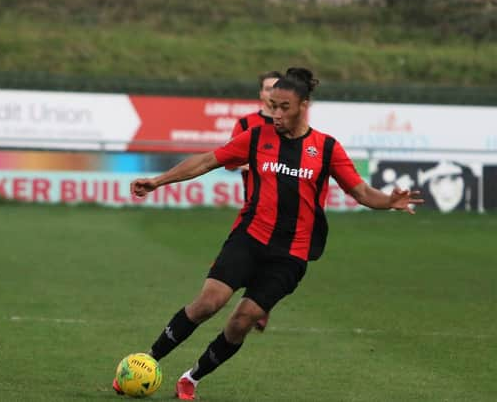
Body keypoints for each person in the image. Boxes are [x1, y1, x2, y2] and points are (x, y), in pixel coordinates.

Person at [119, 68, 423, 400]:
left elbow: (362, 192)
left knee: (242, 320)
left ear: (303, 105)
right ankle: (145, 362)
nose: (276, 114)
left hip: (291, 254)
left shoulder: (326, 148)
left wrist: (388, 201)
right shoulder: (256, 137)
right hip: (249, 238)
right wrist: (158, 181)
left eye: (284, 107)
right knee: (208, 303)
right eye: (272, 105)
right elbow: (207, 161)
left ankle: (192, 378)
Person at [229, 69, 283, 332]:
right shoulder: (246, 124)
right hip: (254, 204)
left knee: (274, 258)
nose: (272, 93)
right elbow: (229, 160)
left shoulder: (290, 126)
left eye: (277, 88)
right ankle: (257, 305)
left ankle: (260, 305)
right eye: (267, 88)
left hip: (285, 208)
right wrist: (251, 164)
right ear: (260, 93)